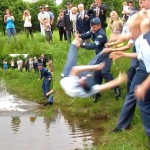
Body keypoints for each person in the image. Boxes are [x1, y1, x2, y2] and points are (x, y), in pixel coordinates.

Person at [110, 9, 150, 148]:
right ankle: (122, 125)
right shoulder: (140, 39)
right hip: (144, 67)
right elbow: (139, 56)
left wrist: (144, 86)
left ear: (139, 29)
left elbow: (145, 58)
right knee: (136, 95)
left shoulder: (145, 42)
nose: (128, 32)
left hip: (146, 69)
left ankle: (124, 126)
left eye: (130, 29)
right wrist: (123, 54)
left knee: (140, 98)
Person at [60, 36, 127, 98]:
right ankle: (101, 52)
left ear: (82, 84)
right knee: (90, 67)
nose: (83, 77)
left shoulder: (73, 86)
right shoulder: (92, 89)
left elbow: (75, 69)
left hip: (66, 76)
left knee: (71, 60)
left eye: (83, 79)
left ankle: (73, 44)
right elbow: (106, 86)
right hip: (75, 80)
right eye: (84, 78)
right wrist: (119, 80)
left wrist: (94, 67)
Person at [78, 17, 121, 101]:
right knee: (97, 73)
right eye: (91, 27)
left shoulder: (101, 34)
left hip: (106, 55)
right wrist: (79, 36)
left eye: (94, 27)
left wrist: (82, 45)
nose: (92, 29)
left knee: (104, 72)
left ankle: (116, 87)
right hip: (98, 56)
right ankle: (96, 92)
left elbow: (93, 45)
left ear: (99, 25)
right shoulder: (93, 30)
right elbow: (87, 34)